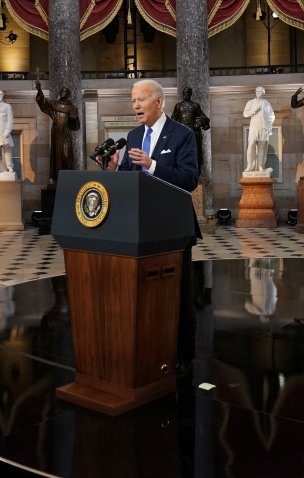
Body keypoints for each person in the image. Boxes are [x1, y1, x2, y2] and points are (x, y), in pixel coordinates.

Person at [100, 79, 200, 372]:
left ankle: (183, 356)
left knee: (177, 295)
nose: (136, 106)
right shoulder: (132, 136)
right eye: (133, 101)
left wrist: (153, 165)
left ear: (158, 102)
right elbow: (130, 181)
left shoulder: (182, 134)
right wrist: (112, 170)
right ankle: (147, 346)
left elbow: (190, 179)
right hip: (138, 228)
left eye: (141, 99)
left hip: (173, 228)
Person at [35, 81, 80, 182]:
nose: (63, 92)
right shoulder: (54, 105)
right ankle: (57, 178)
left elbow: (76, 127)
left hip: (65, 132)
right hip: (56, 132)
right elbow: (43, 103)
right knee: (57, 154)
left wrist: (74, 119)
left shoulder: (73, 109)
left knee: (66, 154)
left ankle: (69, 179)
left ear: (68, 94)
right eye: (62, 91)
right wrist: (39, 91)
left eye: (65, 91)